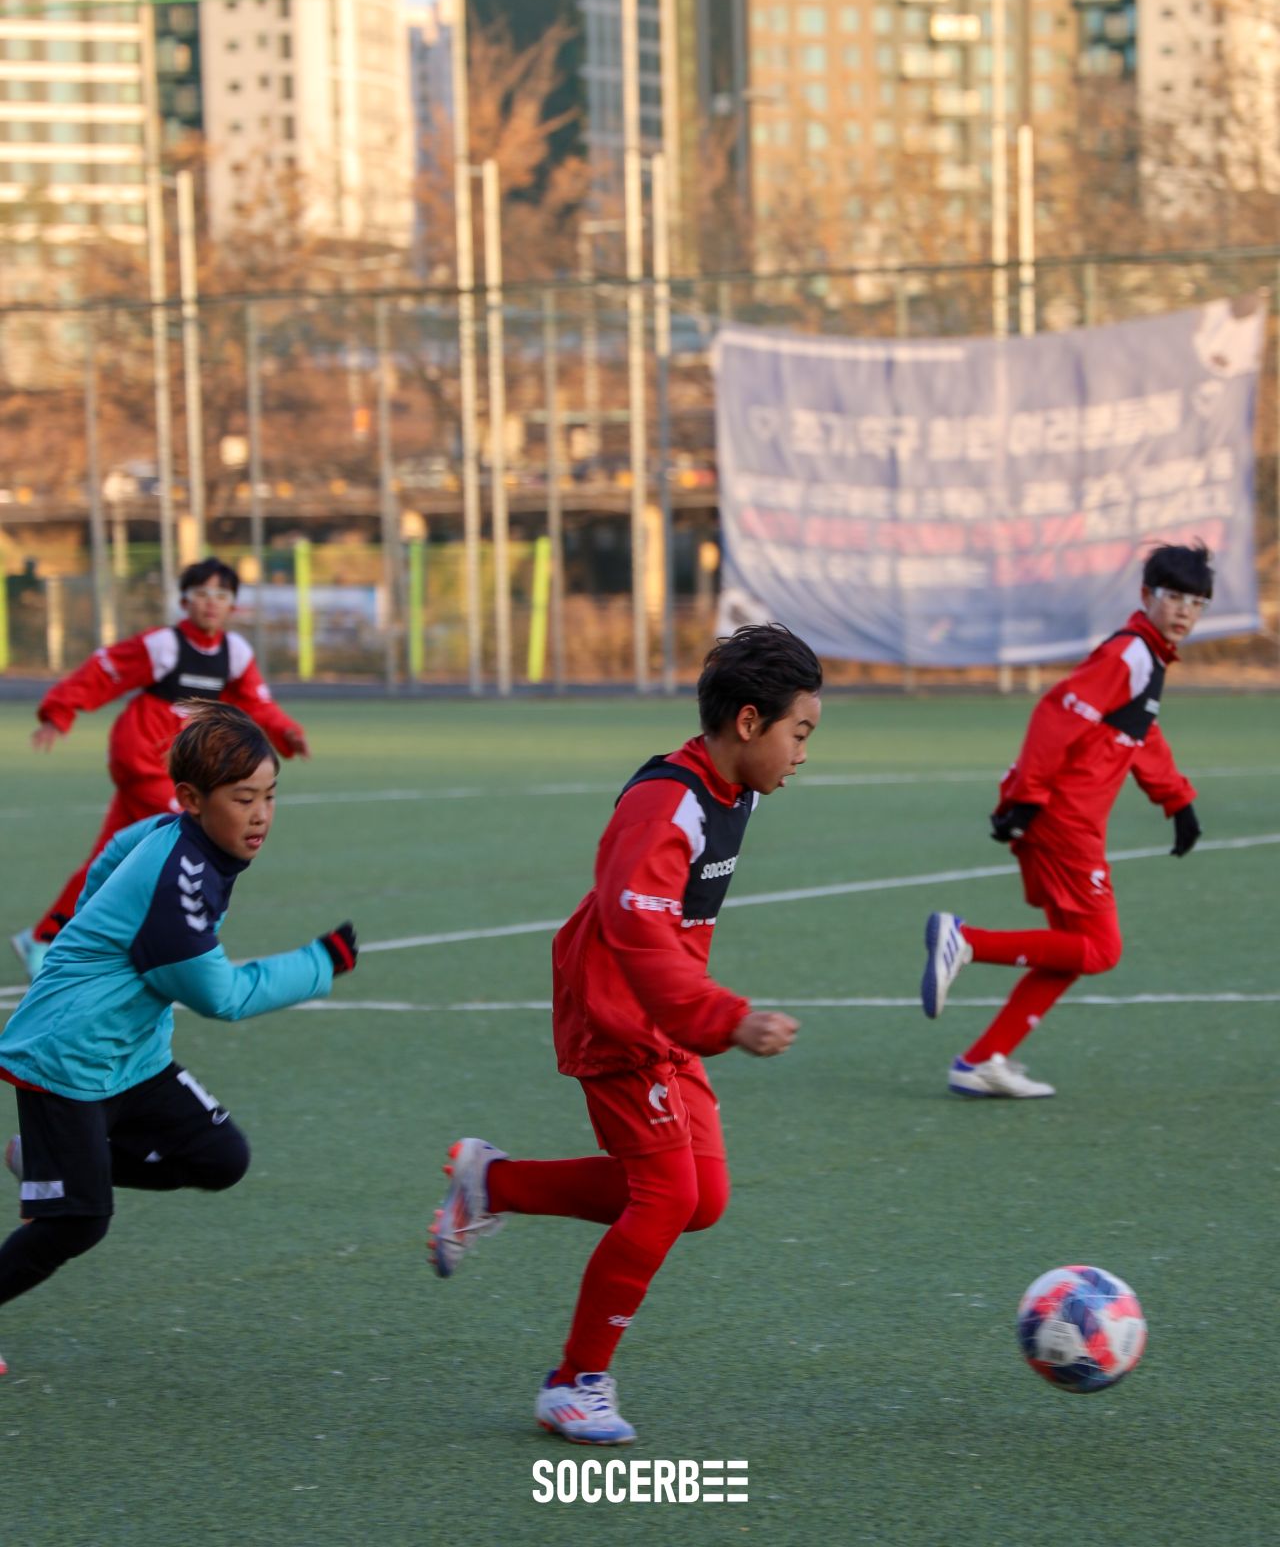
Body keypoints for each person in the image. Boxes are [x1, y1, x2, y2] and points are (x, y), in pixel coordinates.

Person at [427, 624, 822, 1445]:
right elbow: (636, 935)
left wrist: (697, 1013)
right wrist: (724, 1018)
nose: (803, 755)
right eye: (800, 733)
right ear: (749, 722)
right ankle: (574, 1383)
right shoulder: (665, 804)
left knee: (701, 1200)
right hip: (614, 1012)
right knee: (667, 1196)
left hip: (666, 1013)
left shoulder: (736, 789)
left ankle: (492, 1183)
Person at [0, 703, 357, 1376]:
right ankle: (60, 1179)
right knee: (79, 1222)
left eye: (270, 796)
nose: (261, 815)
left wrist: (95, 929)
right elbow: (221, 995)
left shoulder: (175, 833)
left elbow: (112, 855)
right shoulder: (179, 883)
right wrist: (320, 963)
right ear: (193, 800)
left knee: (220, 1157)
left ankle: (49, 1166)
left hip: (132, 1056)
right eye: (243, 799)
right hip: (67, 1059)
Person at [920, 542, 1211, 1099]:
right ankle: (965, 941)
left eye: (1197, 602)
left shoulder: (1148, 658)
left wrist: (1177, 801)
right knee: (1101, 949)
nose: (1185, 611)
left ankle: (981, 1062)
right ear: (1146, 595)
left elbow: (1140, 732)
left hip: (1066, 815)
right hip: (1063, 818)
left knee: (1072, 948)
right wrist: (1029, 797)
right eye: (1174, 596)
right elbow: (1058, 713)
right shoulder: (1130, 654)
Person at [11, 557, 308, 981]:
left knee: (111, 859)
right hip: (141, 760)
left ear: (232, 605)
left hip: (179, 764)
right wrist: (59, 711)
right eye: (201, 593)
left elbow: (257, 704)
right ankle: (169, 944)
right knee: (192, 830)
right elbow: (105, 671)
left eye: (221, 595)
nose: (211, 602)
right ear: (184, 601)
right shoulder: (164, 646)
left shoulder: (235, 654)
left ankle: (43, 938)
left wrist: (287, 732)